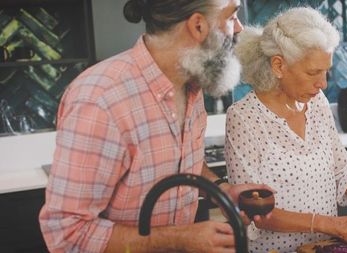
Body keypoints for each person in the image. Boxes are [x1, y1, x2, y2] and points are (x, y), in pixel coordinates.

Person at [39, 1, 273, 252]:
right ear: (197, 25)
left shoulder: (191, 86)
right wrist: (179, 238)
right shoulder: (102, 100)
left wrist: (221, 190)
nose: (239, 27)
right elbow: (67, 233)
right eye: (232, 16)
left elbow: (179, 162)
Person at [225, 7, 347, 253]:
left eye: (326, 71)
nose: (323, 83)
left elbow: (341, 170)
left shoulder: (317, 101)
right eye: (313, 72)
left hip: (324, 248)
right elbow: (254, 211)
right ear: (278, 66)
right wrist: (326, 224)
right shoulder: (244, 118)